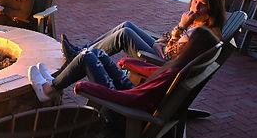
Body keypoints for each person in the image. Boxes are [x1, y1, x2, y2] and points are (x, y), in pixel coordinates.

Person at [28, 27, 219, 130]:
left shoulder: (172, 75)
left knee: (87, 57)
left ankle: (49, 89)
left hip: (124, 116)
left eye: (186, 35)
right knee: (96, 53)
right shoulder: (181, 68)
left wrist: (86, 87)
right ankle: (56, 83)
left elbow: (133, 100)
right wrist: (131, 62)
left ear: (192, 47)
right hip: (132, 99)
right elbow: (155, 74)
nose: (182, 36)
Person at [61, 0, 225, 63]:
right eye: (194, 1)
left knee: (125, 35)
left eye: (202, 4)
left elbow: (170, 55)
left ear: (212, 8)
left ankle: (79, 57)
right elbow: (168, 38)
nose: (195, 6)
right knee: (127, 24)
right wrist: (159, 43)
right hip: (161, 51)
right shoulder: (197, 22)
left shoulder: (200, 32)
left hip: (159, 64)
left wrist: (181, 26)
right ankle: (81, 51)